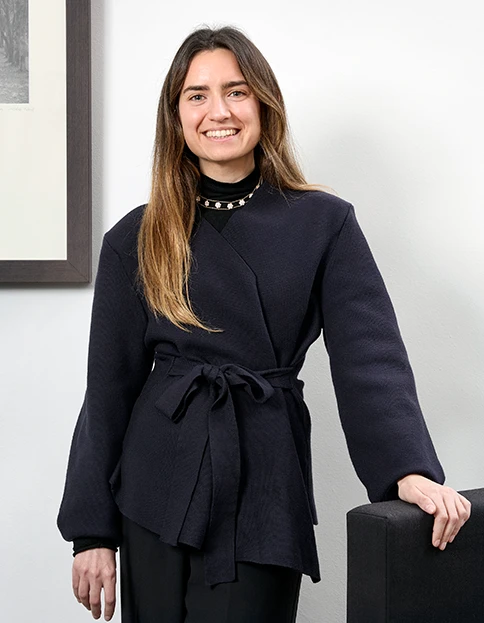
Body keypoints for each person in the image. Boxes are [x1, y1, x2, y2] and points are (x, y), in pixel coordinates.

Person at [57, 25, 471, 623]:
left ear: (263, 104)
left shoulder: (324, 223)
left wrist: (405, 471)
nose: (218, 111)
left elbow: (369, 360)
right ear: (176, 116)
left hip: (262, 482)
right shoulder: (136, 236)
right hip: (153, 488)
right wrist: (92, 532)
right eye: (197, 95)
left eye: (236, 91)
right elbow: (107, 391)